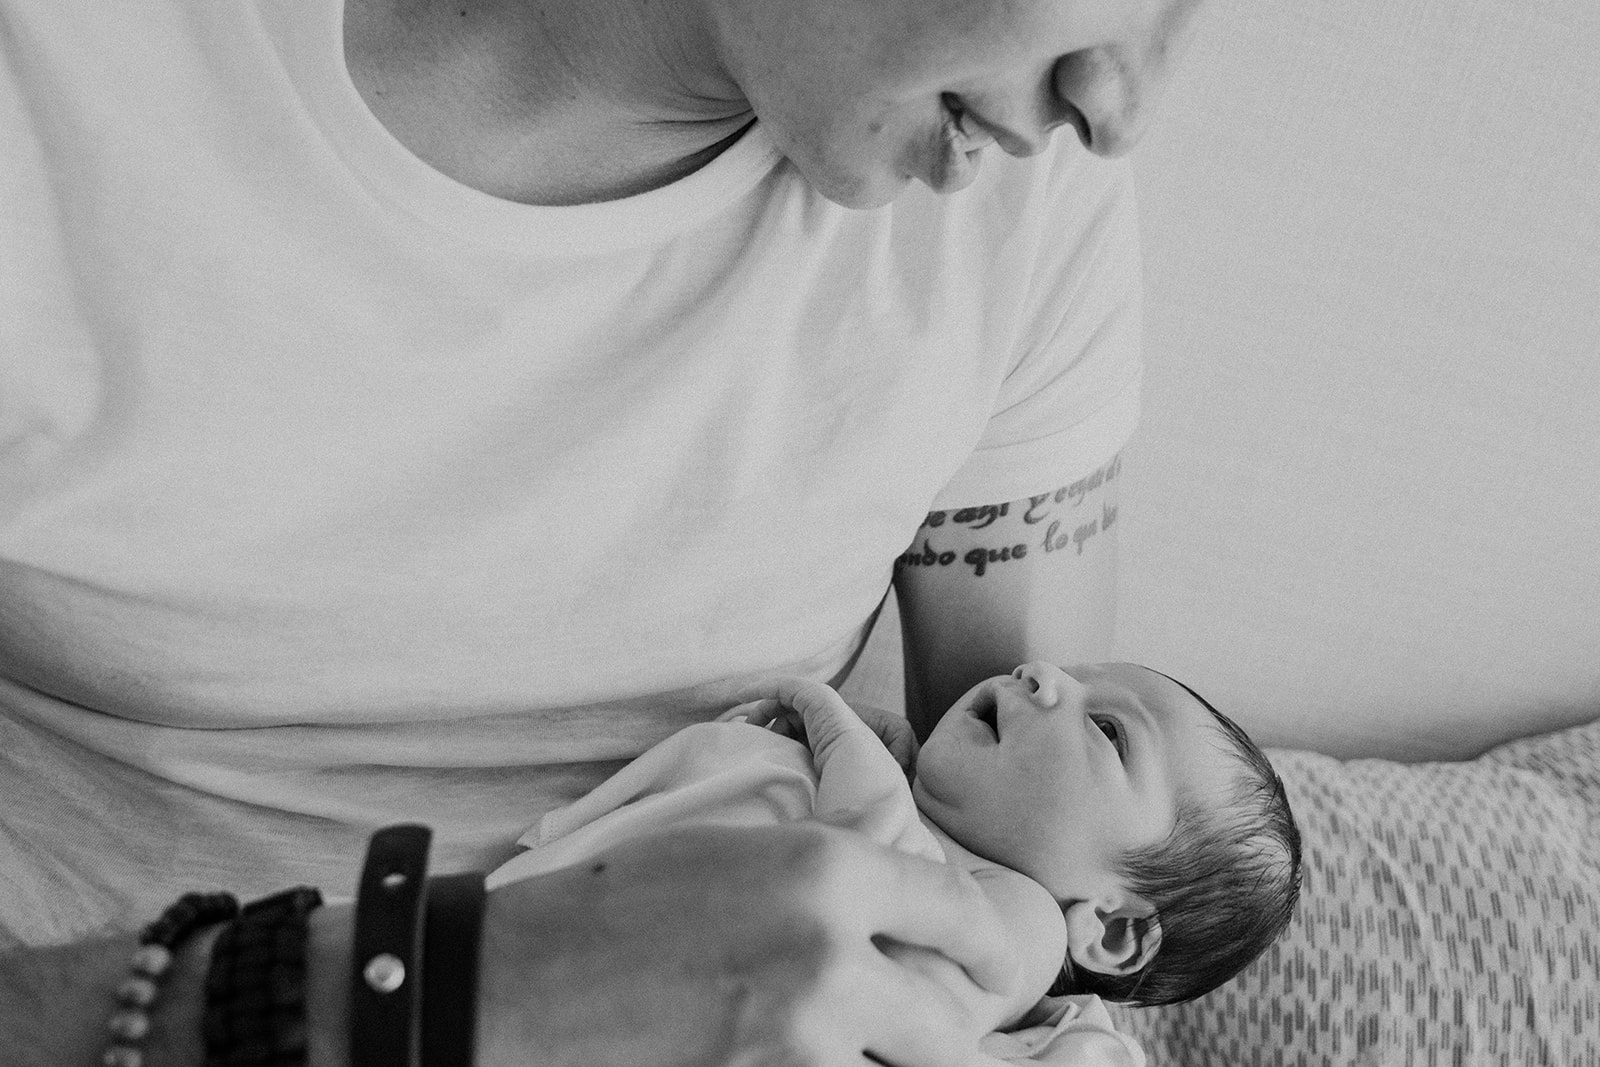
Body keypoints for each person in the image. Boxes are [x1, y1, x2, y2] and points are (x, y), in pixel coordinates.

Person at [0, 0, 1211, 1062]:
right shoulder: (59, 87)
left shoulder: (1011, 191)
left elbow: (1033, 893)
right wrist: (441, 989)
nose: (1120, 108)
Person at [490, 661, 1301, 1063]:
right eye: (1076, 668)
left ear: (1114, 931)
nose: (1042, 672)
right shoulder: (814, 775)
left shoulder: (1030, 926)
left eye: (1109, 731)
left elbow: (907, 920)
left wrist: (836, 729)